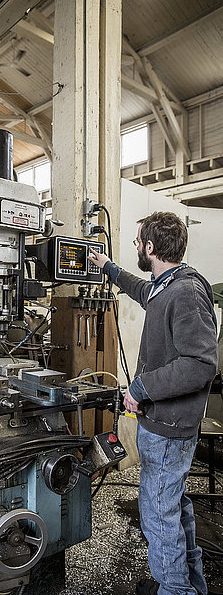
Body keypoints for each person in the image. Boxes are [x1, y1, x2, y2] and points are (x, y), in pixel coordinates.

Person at [88, 211, 217, 595]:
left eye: (137, 243)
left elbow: (200, 364)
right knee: (173, 507)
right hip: (165, 425)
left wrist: (141, 388)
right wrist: (107, 267)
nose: (136, 249)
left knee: (159, 518)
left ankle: (175, 590)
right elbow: (143, 291)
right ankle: (192, 586)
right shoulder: (167, 285)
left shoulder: (185, 292)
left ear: (149, 247)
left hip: (169, 428)